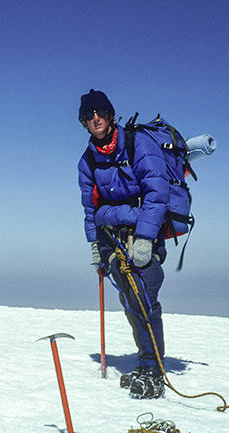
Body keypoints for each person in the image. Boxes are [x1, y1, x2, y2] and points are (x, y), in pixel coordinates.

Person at [77, 89, 168, 399]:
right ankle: (146, 363)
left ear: (110, 115)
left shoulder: (138, 144)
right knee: (130, 301)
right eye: (89, 116)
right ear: (84, 122)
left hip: (145, 236)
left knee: (143, 298)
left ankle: (153, 368)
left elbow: (157, 193)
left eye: (100, 112)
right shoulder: (87, 161)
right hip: (112, 240)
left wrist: (144, 237)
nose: (96, 119)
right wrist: (94, 245)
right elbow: (90, 209)